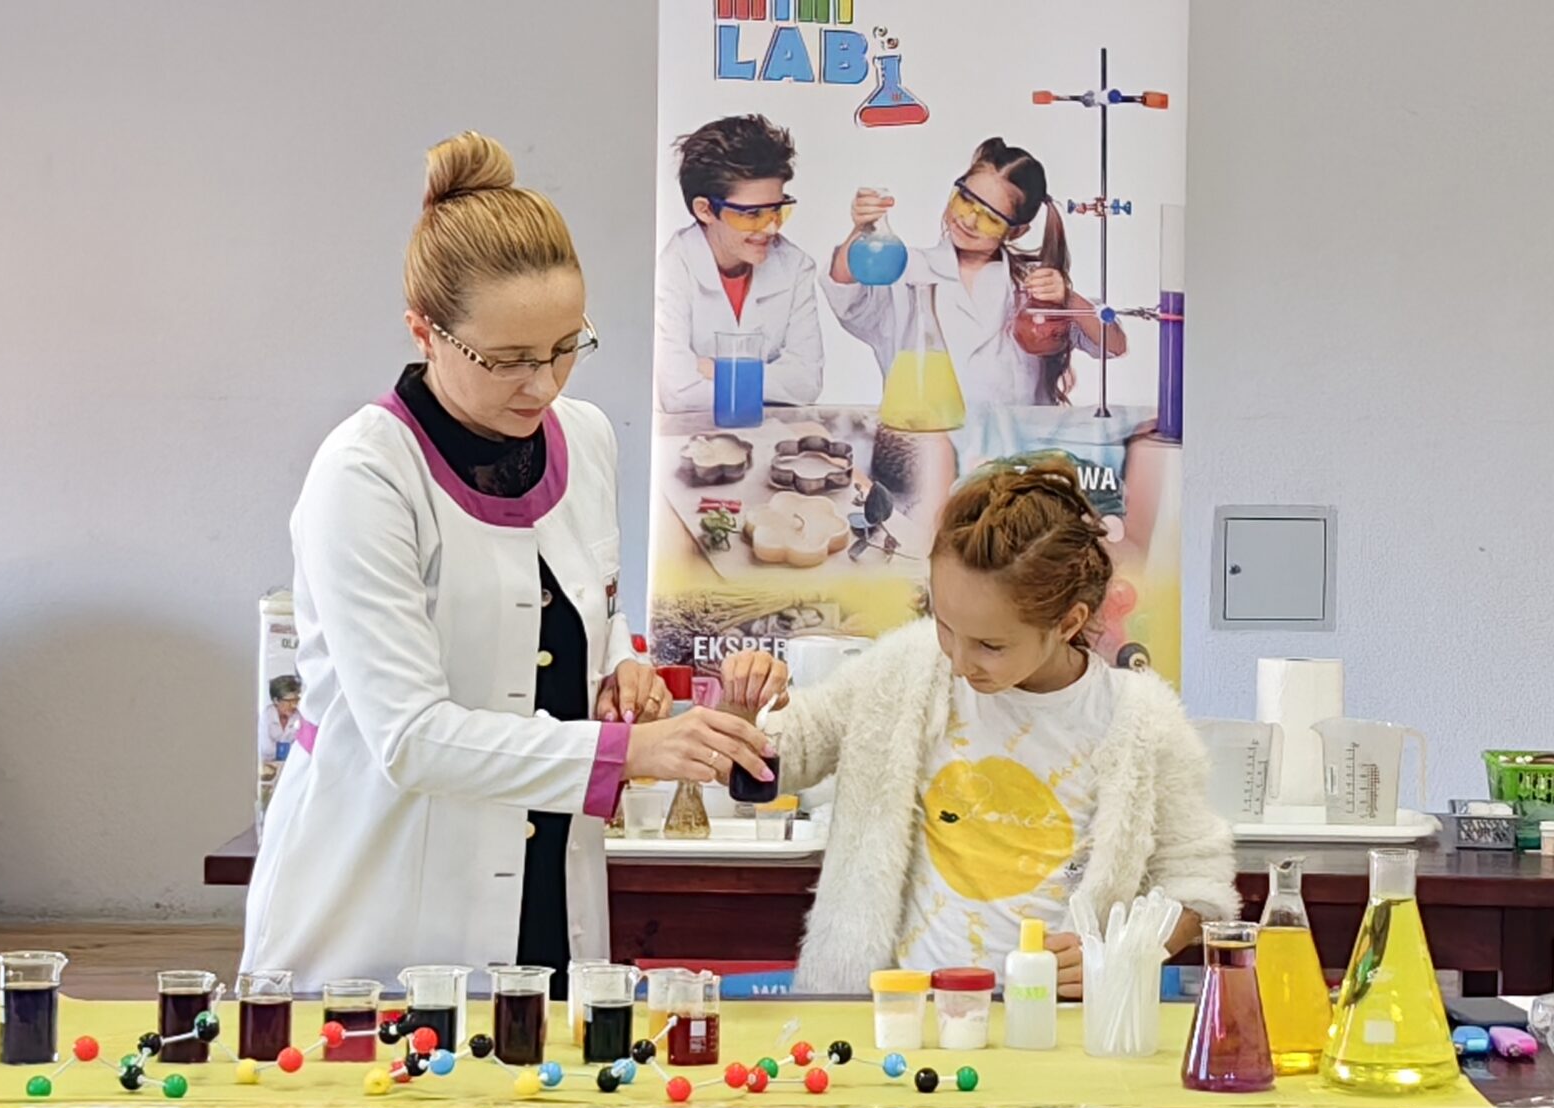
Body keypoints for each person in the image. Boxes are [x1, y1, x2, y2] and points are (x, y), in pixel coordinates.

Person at [242, 132, 775, 992]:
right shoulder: (366, 475)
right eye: (510, 361)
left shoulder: (584, 440)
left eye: (566, 347)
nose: (545, 385)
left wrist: (622, 669)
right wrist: (629, 752)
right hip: (383, 906)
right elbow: (410, 736)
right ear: (424, 331)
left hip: (549, 883)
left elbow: (585, 605)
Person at [717, 458, 1233, 995]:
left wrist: (1123, 952)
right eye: (945, 625)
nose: (960, 662)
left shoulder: (1141, 721)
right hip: (900, 1015)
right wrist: (746, 707)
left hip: (1055, 1025)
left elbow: (1198, 883)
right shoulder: (906, 669)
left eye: (991, 645)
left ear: (1069, 622)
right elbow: (787, 753)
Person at [822, 139, 1127, 408]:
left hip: (1018, 446)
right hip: (926, 440)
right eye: (965, 200)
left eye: (990, 217)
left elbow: (1113, 346)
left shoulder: (1031, 285)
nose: (968, 220)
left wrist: (1068, 299)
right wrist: (863, 230)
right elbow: (847, 296)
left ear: (1017, 230)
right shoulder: (907, 269)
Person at [654, 114, 825, 416]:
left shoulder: (795, 266)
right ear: (705, 210)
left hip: (769, 434)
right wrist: (771, 380)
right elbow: (678, 393)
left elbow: (806, 383)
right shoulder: (672, 267)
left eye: (776, 211)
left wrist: (714, 369)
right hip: (693, 438)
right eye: (752, 214)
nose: (770, 228)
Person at [258, 674, 302, 763]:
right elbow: (266, 750)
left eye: (296, 700)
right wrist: (289, 750)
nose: (294, 705)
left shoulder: (299, 716)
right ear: (276, 700)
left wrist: (279, 749)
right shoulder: (266, 716)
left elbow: (301, 750)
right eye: (289, 701)